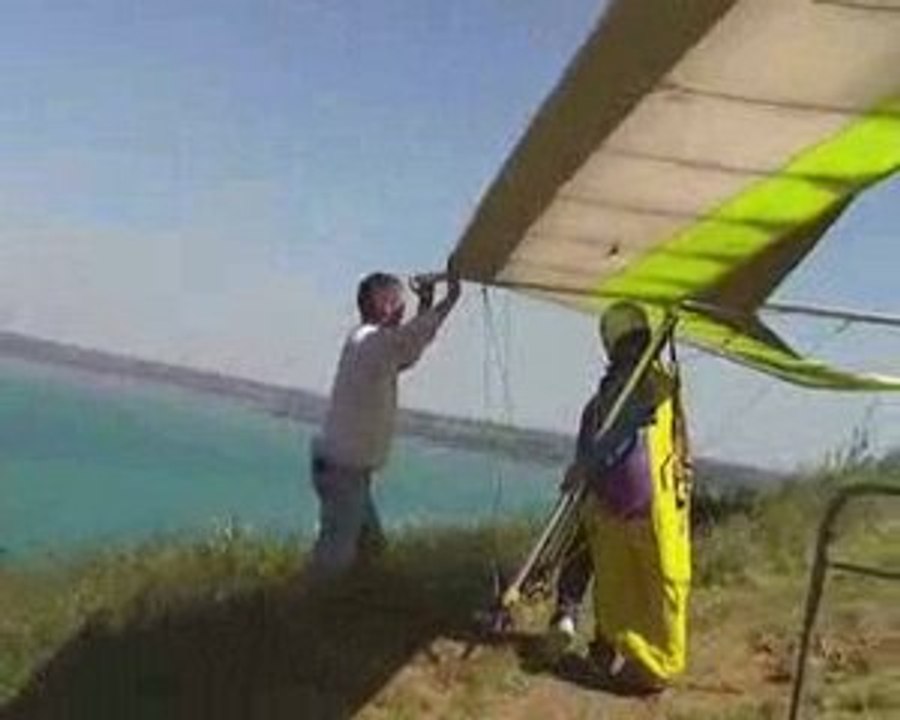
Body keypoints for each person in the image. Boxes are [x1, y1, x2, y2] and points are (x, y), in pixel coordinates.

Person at [550, 301, 692, 693]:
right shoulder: (651, 383)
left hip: (635, 506)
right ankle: (633, 657)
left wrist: (584, 467)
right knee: (635, 591)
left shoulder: (641, 386)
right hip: (638, 508)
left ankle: (645, 664)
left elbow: (622, 435)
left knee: (640, 590)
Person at [307, 270, 461, 579]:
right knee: (335, 556)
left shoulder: (371, 346)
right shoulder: (371, 343)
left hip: (345, 469)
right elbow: (411, 338)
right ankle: (313, 611)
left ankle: (353, 601)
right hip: (344, 471)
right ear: (387, 305)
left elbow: (407, 352)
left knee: (369, 549)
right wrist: (449, 299)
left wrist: (427, 302)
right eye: (401, 302)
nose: (404, 309)